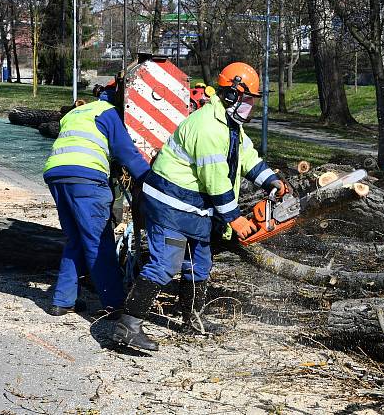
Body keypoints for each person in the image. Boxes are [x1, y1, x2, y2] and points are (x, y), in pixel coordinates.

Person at [112, 62, 287, 351]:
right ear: (231, 96)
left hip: (194, 208)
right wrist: (234, 218)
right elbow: (215, 180)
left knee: (200, 263)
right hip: (169, 204)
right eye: (248, 99)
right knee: (166, 263)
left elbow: (246, 157)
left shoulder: (230, 126)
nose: (251, 106)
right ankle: (128, 325)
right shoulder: (208, 127)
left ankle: (192, 319)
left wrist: (271, 180)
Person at [43, 82, 150, 317]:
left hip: (56, 174)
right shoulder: (108, 112)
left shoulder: (77, 112)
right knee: (99, 242)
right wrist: (150, 179)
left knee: (76, 239)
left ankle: (63, 300)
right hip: (85, 178)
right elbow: (125, 153)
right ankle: (114, 304)